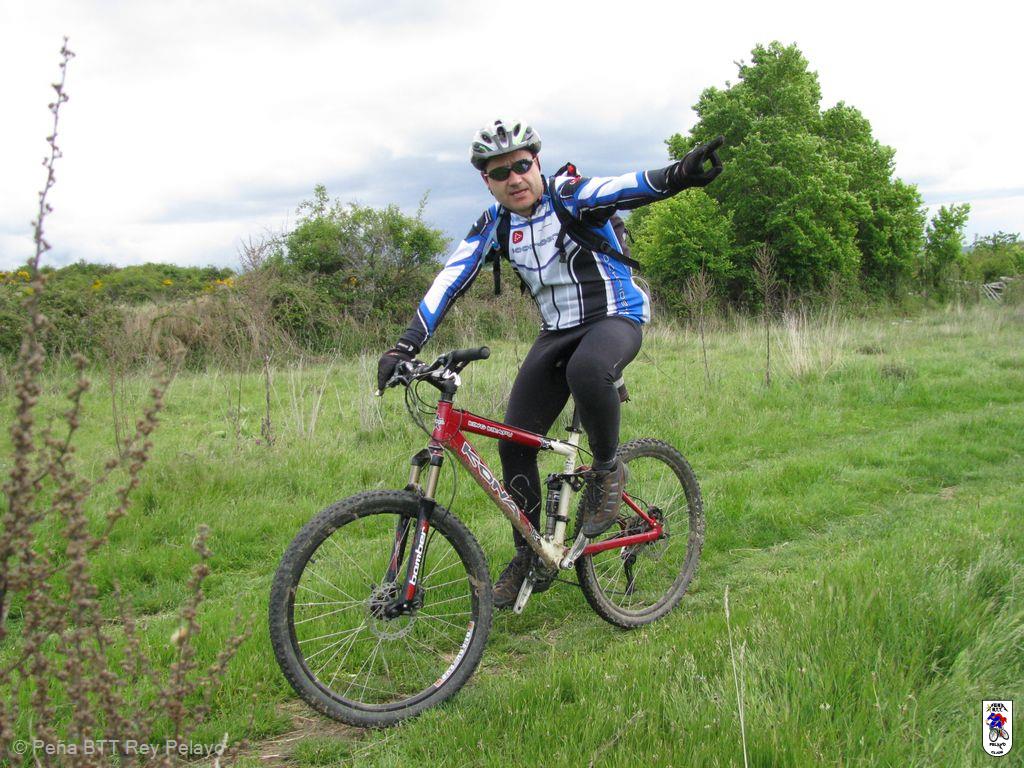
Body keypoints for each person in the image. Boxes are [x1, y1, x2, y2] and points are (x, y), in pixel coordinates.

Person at [377, 119, 723, 607]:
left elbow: (624, 187)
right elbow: (450, 279)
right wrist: (405, 345)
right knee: (513, 441)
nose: (515, 178)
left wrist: (679, 174)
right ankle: (530, 555)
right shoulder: (496, 224)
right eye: (501, 173)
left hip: (614, 317)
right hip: (557, 332)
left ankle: (607, 472)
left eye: (522, 165)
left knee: (588, 371)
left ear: (537, 163)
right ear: (487, 182)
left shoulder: (571, 195)